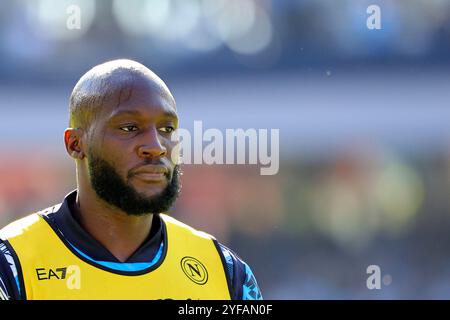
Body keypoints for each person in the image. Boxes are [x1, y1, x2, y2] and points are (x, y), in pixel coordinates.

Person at [0, 59, 262, 300]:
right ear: (76, 144)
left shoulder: (225, 272)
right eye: (129, 128)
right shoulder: (12, 264)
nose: (156, 146)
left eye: (167, 129)